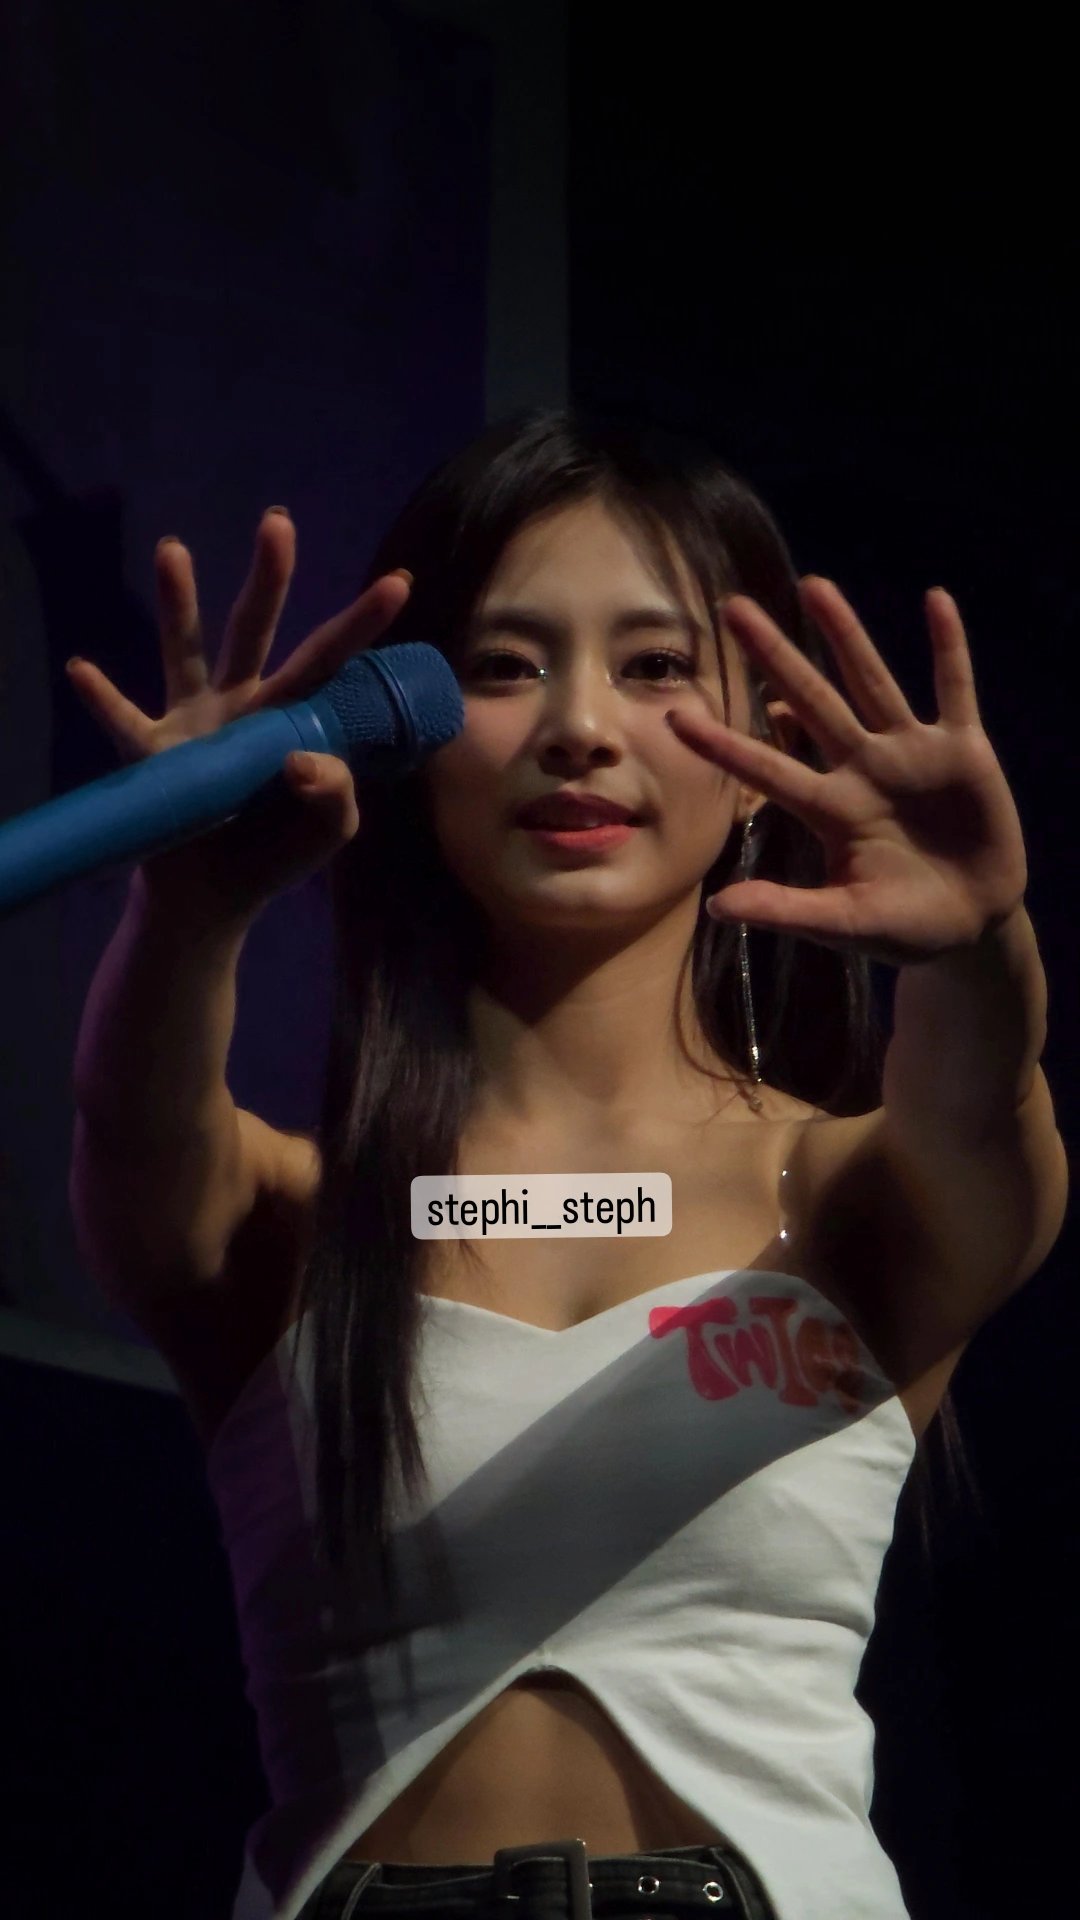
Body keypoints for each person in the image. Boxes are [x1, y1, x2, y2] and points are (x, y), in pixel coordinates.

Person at [68, 409, 1066, 1920]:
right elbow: (131, 1129)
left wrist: (983, 943)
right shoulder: (288, 1218)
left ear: (767, 756)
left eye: (656, 665)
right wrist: (184, 908)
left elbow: (986, 1108)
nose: (580, 724)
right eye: (503, 665)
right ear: (410, 739)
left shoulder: (858, 1199)